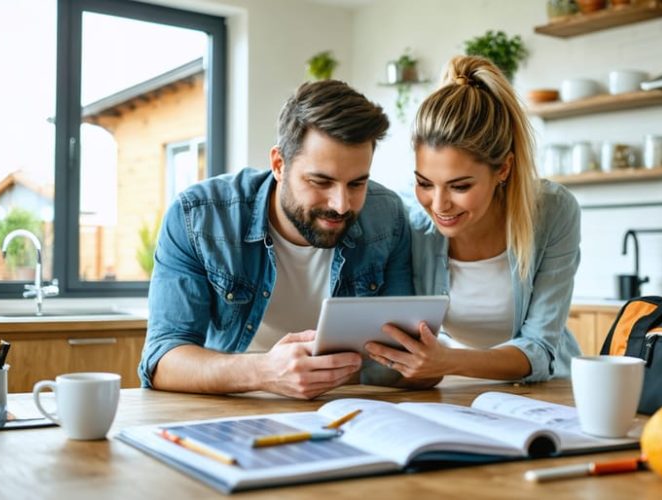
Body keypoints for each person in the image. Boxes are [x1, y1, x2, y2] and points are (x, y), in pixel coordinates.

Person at [139, 80, 413, 399]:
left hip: (346, 407)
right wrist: (264, 371)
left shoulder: (387, 215)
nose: (341, 204)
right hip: (232, 407)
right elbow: (161, 359)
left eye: (356, 184)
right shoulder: (198, 216)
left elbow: (400, 355)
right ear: (279, 165)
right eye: (320, 181)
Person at [365, 55, 582, 385]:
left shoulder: (552, 212)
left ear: (503, 170)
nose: (438, 205)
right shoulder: (406, 216)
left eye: (460, 186)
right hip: (455, 390)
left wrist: (447, 361)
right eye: (424, 183)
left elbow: (539, 349)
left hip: (542, 392)